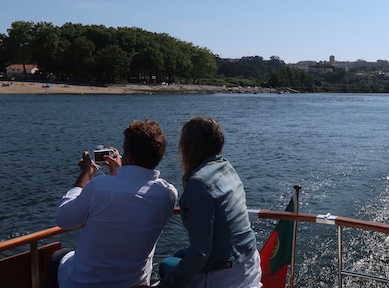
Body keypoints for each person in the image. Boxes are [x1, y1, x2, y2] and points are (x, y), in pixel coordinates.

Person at [51, 119, 178, 288]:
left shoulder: (99, 186)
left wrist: (87, 173)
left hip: (85, 283)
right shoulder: (167, 194)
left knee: (56, 258)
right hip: (134, 283)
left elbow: (64, 219)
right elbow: (131, 198)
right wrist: (120, 174)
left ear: (129, 155)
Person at [159, 116, 260, 288]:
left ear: (189, 148)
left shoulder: (199, 184)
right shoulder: (227, 168)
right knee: (179, 255)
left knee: (165, 265)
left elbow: (200, 253)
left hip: (226, 278)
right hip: (250, 263)